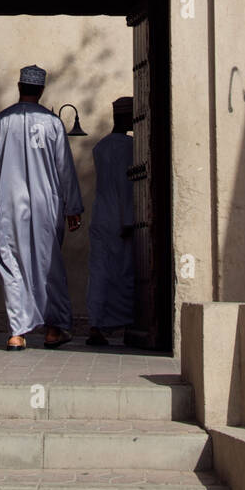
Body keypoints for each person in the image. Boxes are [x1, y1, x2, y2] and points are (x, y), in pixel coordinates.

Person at [0, 64, 83, 351]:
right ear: (41, 90)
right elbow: (65, 168)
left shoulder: (2, 122)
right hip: (46, 203)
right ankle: (53, 329)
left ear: (19, 87)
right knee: (49, 264)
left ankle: (17, 333)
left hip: (10, 203)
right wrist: (72, 206)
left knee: (11, 263)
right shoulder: (52, 123)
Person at [86, 95, 135, 346]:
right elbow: (125, 186)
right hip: (120, 217)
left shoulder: (101, 147)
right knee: (125, 273)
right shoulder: (129, 147)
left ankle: (96, 325)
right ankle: (128, 326)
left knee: (100, 272)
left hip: (100, 215)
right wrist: (129, 219)